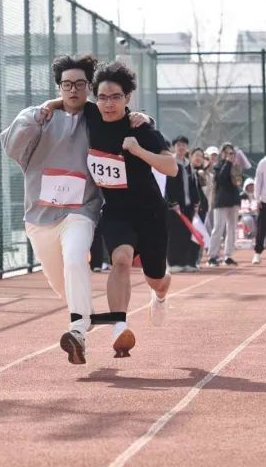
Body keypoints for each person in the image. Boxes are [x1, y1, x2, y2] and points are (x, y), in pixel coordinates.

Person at [1, 54, 150, 365]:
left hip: (81, 210)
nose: (73, 90)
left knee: (74, 258)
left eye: (80, 84)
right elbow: (11, 145)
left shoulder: (98, 117)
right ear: (59, 87)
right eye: (67, 84)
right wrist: (43, 110)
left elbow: (128, 121)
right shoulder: (40, 117)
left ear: (89, 87)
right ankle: (85, 315)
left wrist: (142, 118)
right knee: (63, 286)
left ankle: (78, 332)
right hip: (39, 217)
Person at [49, 60, 176, 359]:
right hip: (116, 212)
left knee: (156, 278)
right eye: (103, 97)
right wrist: (49, 105)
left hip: (151, 214)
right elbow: (70, 100)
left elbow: (171, 167)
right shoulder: (92, 115)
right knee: (120, 260)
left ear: (127, 97)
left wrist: (138, 150)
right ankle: (119, 327)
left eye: (115, 97)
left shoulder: (140, 128)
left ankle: (160, 295)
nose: (108, 104)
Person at [165, 135, 202, 272]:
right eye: (178, 145)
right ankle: (174, 263)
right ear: (174, 147)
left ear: (187, 148)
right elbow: (168, 186)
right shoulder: (171, 162)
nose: (181, 147)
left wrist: (196, 201)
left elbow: (194, 185)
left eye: (184, 145)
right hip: (175, 207)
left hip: (188, 206)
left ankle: (186, 262)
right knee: (175, 234)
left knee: (187, 234)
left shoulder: (188, 165)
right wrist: (173, 203)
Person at [206, 142, 245, 267]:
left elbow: (239, 181)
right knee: (218, 228)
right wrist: (228, 163)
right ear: (222, 153)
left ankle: (228, 255)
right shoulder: (217, 166)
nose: (229, 155)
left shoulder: (235, 166)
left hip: (233, 200)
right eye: (227, 152)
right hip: (221, 201)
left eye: (231, 152)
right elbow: (220, 179)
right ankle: (212, 256)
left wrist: (236, 167)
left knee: (232, 229)